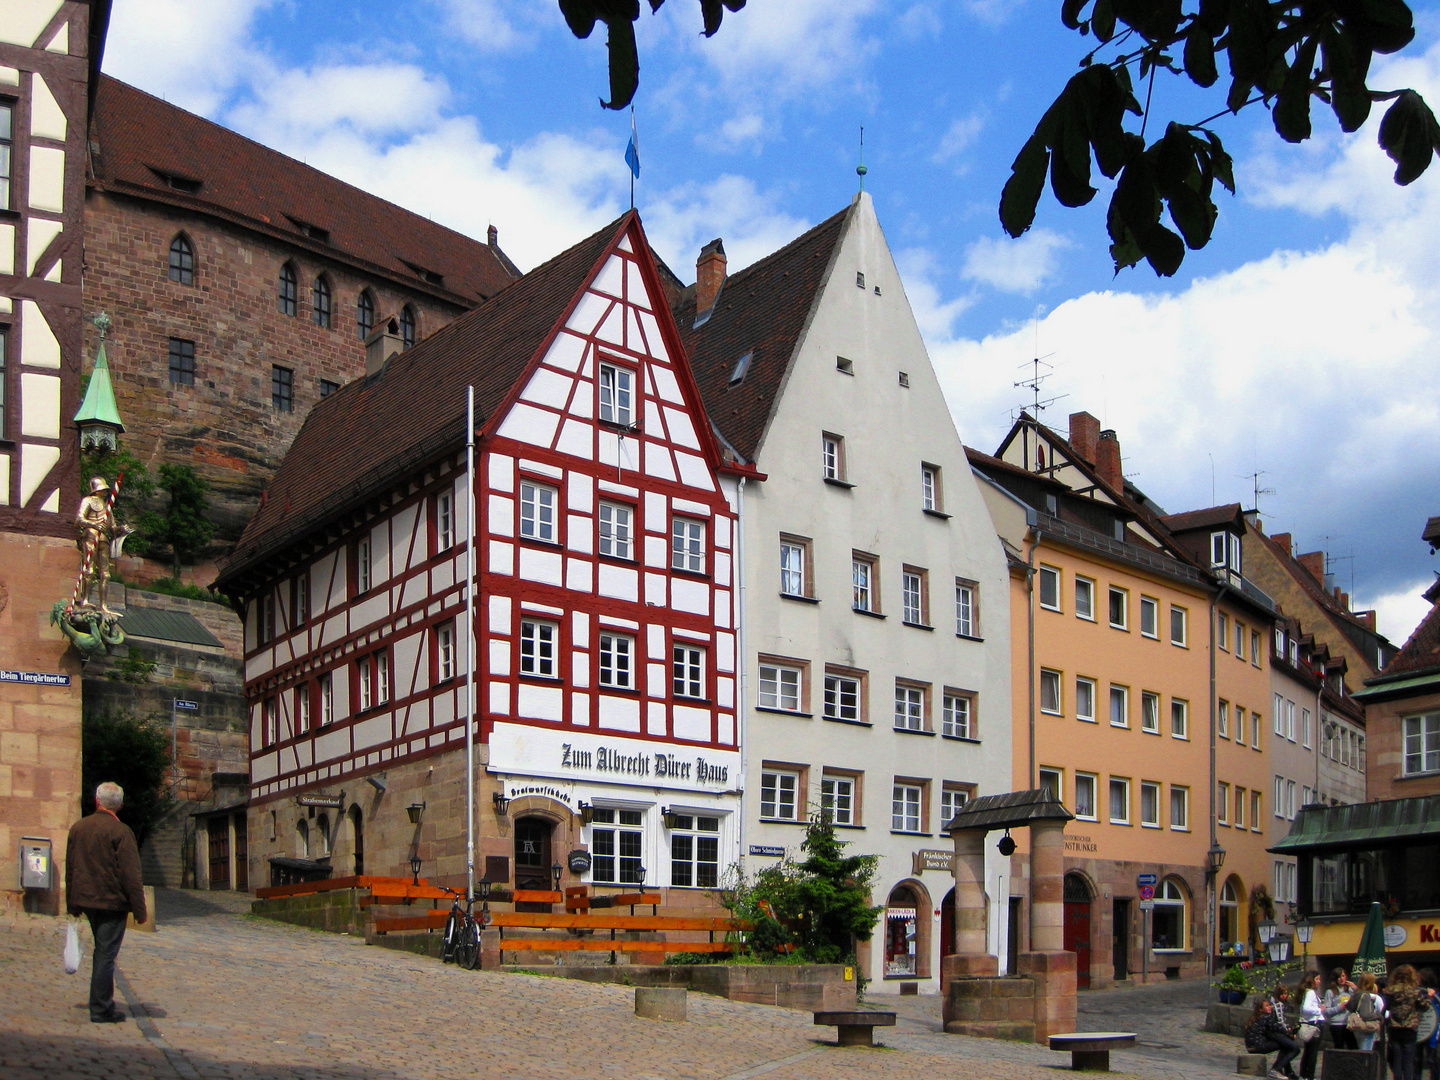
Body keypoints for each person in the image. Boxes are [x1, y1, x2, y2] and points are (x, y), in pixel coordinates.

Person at [65, 782, 147, 1023]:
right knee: (105, 954)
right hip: (111, 902)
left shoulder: (78, 827)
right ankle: (100, 1008)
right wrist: (140, 911)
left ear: (96, 801)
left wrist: (72, 904)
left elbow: (71, 868)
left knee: (103, 952)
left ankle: (102, 1003)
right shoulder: (120, 831)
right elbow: (131, 874)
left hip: (86, 900)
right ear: (120, 805)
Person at [1386, 964, 1438, 1080]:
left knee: (1397, 1060)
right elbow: (1424, 1006)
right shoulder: (1415, 992)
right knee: (1409, 1060)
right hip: (1410, 1028)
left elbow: (1387, 1007)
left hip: (1394, 1028)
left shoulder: (1390, 991)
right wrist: (1429, 996)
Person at [1246, 996, 1302, 1080]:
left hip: (1251, 1046)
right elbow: (1278, 1028)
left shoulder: (1257, 1017)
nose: (1270, 1007)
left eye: (1270, 1005)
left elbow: (1276, 1029)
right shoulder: (1265, 1018)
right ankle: (1276, 1069)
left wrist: (1287, 1032)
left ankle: (1285, 1071)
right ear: (1260, 1009)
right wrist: (1289, 1033)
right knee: (1290, 1047)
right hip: (1257, 1046)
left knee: (1284, 1043)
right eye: (1267, 1006)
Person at [1297, 971, 1326, 1080]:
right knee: (1312, 1052)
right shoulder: (1310, 993)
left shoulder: (1307, 992)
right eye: (1317, 979)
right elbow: (1306, 1008)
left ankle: (1304, 1074)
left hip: (1310, 1023)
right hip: (1314, 1024)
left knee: (1308, 1051)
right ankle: (1309, 1075)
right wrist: (1319, 1009)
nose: (1319, 981)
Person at [1348, 972, 1386, 1053]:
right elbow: (1366, 1015)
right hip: (1366, 1028)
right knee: (1365, 1053)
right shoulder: (1366, 995)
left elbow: (1348, 1006)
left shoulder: (1357, 994)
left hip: (1357, 1027)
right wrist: (1378, 1016)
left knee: (1361, 1049)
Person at [1325, 968, 1358, 1050]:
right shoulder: (1330, 992)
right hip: (1337, 1025)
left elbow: (1360, 998)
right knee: (1339, 1047)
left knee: (1353, 1046)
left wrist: (1355, 988)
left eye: (1343, 976)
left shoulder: (1350, 990)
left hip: (1349, 1023)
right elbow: (1326, 1010)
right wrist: (1339, 1007)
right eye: (1339, 977)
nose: (1342, 979)